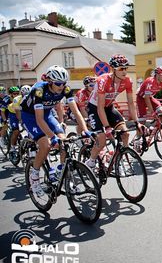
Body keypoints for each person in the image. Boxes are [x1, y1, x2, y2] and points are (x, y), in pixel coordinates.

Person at [23, 66, 90, 197]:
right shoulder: (39, 91)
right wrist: (52, 137)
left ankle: (61, 171)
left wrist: (86, 130)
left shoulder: (66, 89)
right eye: (58, 83)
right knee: (45, 145)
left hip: (47, 114)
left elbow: (76, 111)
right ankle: (34, 176)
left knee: (64, 141)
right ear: (50, 82)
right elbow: (39, 119)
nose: (61, 86)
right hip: (30, 116)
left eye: (64, 83)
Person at [84, 54, 143, 171]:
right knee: (101, 140)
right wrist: (107, 127)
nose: (124, 71)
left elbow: (131, 103)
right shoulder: (103, 81)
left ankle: (119, 158)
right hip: (95, 108)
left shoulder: (127, 81)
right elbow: (100, 107)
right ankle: (90, 162)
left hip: (109, 107)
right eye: (121, 68)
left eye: (126, 68)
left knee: (125, 133)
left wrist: (137, 122)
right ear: (113, 69)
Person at [6, 86, 22, 159]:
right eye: (14, 93)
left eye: (17, 93)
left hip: (21, 113)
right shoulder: (7, 100)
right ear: (10, 94)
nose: (16, 95)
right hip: (12, 114)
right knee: (16, 131)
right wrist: (4, 120)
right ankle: (12, 148)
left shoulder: (21, 98)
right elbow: (2, 111)